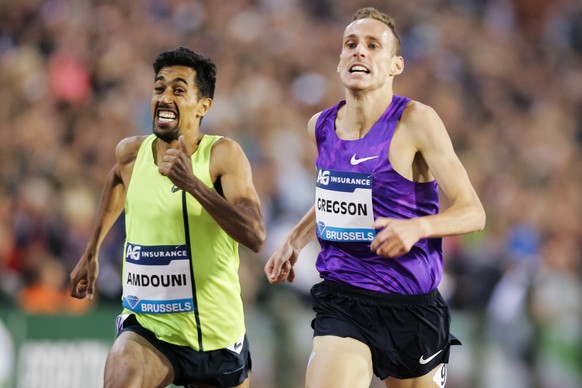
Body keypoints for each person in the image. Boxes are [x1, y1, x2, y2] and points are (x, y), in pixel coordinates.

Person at [264, 7, 486, 388]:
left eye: (372, 45)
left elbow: (473, 211)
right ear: (338, 61)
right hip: (344, 299)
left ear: (395, 64)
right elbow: (336, 196)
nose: (359, 52)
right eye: (350, 44)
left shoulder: (417, 121)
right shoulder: (321, 126)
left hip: (412, 305)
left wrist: (418, 227)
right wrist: (294, 239)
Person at [70, 46, 266, 388]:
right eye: (159, 88)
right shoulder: (131, 153)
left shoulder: (223, 156)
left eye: (178, 90)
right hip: (148, 328)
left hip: (214, 336)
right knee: (122, 372)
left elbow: (255, 236)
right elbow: (116, 179)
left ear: (203, 106)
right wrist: (91, 251)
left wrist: (193, 184)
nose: (164, 97)